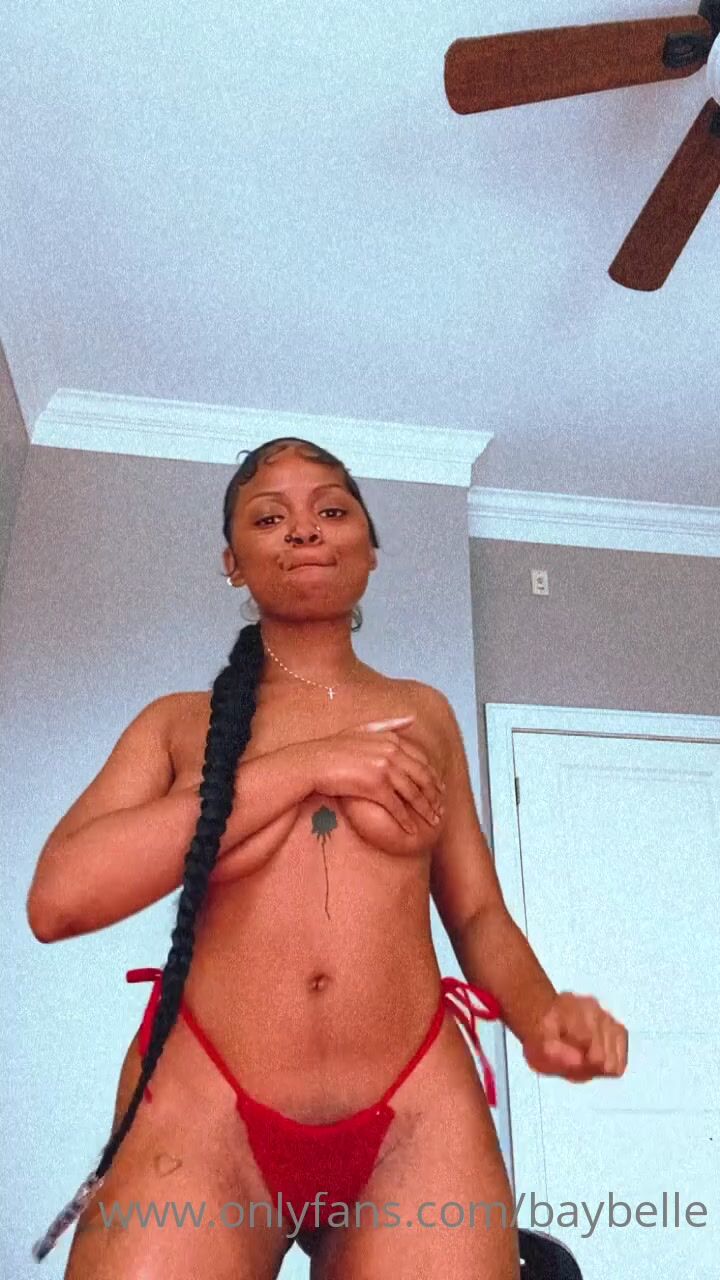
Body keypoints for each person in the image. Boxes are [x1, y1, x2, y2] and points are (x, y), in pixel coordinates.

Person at [27, 437, 628, 1279]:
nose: (304, 530)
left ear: (370, 550)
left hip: (415, 1113)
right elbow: (58, 901)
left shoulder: (425, 714)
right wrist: (308, 766)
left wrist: (540, 1012)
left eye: (332, 510)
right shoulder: (175, 724)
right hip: (205, 1108)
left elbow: (477, 913)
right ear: (233, 563)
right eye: (270, 518)